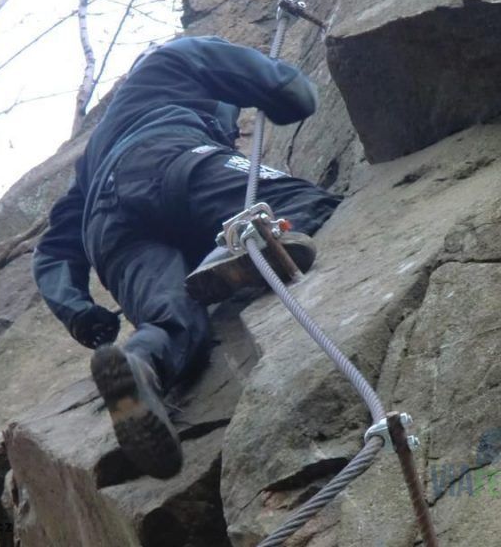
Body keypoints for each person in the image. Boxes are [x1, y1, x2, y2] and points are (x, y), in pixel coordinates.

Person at [32, 36, 341, 479]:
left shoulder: (92, 157)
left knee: (174, 321)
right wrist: (287, 86)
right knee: (301, 201)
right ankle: (232, 251)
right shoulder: (172, 57)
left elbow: (56, 246)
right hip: (171, 159)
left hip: (108, 230)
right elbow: (280, 87)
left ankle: (141, 363)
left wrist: (79, 310)